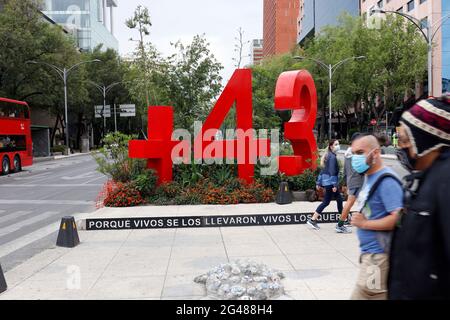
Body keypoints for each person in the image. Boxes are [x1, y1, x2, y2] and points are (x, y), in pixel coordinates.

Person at [388, 93, 450, 299]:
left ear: (426, 139)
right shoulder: (423, 178)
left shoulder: (445, 180)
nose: (403, 146)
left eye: (407, 139)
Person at [349, 134, 403, 300]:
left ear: (376, 153)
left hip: (377, 258)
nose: (356, 157)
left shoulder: (386, 181)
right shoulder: (370, 177)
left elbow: (398, 217)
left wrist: (364, 224)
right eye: (353, 153)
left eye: (360, 152)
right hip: (370, 256)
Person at [307, 139, 343, 230]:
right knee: (338, 199)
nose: (338, 146)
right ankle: (343, 220)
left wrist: (319, 182)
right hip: (331, 183)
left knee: (328, 201)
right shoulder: (332, 157)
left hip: (327, 182)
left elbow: (323, 171)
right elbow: (332, 172)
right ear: (331, 146)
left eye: (338, 144)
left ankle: (313, 219)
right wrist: (335, 185)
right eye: (336, 144)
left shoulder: (329, 155)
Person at [335, 133, 364, 234]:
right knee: (352, 202)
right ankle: (340, 225)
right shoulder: (356, 153)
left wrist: (345, 182)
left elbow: (346, 170)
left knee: (353, 202)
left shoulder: (348, 153)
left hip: (352, 180)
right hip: (357, 180)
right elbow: (361, 168)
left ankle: (342, 223)